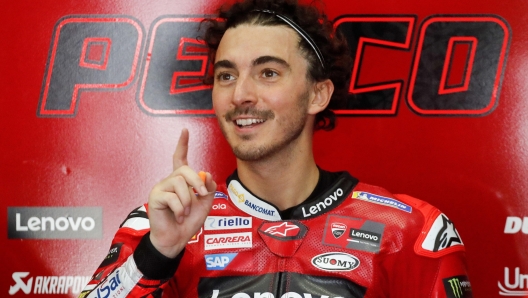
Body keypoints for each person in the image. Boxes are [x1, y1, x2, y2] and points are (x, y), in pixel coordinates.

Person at [81, 0, 472, 297]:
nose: (240, 95)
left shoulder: (410, 231)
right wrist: (160, 251)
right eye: (227, 75)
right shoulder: (161, 222)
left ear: (318, 93)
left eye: (268, 73)